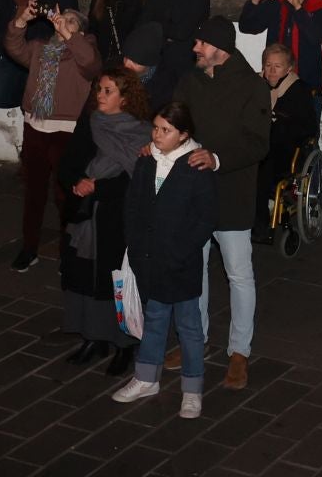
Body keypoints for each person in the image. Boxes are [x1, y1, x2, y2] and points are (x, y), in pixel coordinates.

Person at [172, 18, 270, 390]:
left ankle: (240, 352)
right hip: (194, 193)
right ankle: (194, 341)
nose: (195, 48)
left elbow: (258, 142)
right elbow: (176, 119)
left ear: (219, 48)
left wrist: (216, 158)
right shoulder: (191, 79)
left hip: (231, 193)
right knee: (194, 270)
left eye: (201, 43)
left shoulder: (251, 86)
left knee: (238, 274)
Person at [111, 100, 217, 420]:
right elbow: (133, 206)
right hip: (150, 258)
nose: (157, 135)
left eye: (165, 130)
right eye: (155, 128)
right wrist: (135, 243)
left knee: (189, 325)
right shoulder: (146, 161)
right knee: (154, 317)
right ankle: (146, 377)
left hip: (181, 261)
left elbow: (204, 218)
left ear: (184, 135)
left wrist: (180, 251)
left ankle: (192, 389)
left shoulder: (195, 167)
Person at [59, 69, 152, 375]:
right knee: (86, 277)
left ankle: (124, 344)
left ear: (125, 99)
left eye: (108, 90)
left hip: (117, 216)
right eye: (99, 89)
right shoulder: (90, 123)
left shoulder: (141, 133)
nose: (100, 95)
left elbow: (136, 180)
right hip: (87, 215)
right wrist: (77, 181)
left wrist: (97, 186)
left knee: (116, 281)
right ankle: (93, 337)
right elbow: (71, 160)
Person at [2, 0, 99, 272]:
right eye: (61, 18)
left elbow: (92, 65)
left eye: (71, 21)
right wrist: (21, 20)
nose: (62, 23)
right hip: (35, 127)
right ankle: (29, 248)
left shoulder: (85, 49)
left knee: (65, 195)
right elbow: (13, 47)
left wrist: (70, 36)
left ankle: (68, 250)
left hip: (66, 132)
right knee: (33, 193)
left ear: (80, 31)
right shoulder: (41, 47)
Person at [239, 0, 322, 104]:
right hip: (275, 87)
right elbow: (247, 26)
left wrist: (298, 7)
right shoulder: (277, 2)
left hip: (307, 90)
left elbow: (315, 37)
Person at [254, 45, 319, 241]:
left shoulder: (299, 91)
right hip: (258, 145)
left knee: (262, 168)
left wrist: (278, 120)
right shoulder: (256, 85)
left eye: (278, 66)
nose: (272, 71)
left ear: (289, 68)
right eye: (268, 65)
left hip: (286, 151)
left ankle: (259, 225)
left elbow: (307, 129)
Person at [135, 0, 207, 101]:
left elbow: (182, 31)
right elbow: (143, 27)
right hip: (156, 68)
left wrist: (158, 27)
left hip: (183, 70)